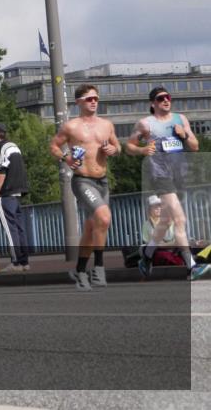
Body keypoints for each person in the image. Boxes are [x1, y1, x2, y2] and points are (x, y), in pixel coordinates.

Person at [129, 87, 210, 281]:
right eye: (161, 98)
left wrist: (183, 135)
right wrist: (141, 150)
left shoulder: (180, 119)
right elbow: (129, 147)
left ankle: (146, 256)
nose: (166, 100)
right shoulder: (145, 124)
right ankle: (191, 267)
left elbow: (195, 146)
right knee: (180, 220)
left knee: (165, 222)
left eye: (168, 97)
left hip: (179, 175)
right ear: (153, 103)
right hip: (160, 175)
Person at [50, 84, 121, 291]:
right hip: (82, 180)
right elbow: (53, 146)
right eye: (89, 99)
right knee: (104, 217)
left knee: (92, 228)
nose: (93, 102)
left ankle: (81, 270)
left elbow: (118, 147)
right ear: (79, 102)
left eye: (96, 99)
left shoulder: (106, 125)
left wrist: (112, 149)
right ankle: (99, 266)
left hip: (103, 180)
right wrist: (66, 157)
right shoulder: (71, 126)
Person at [0, 123, 31, 274]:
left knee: (10, 229)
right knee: (20, 228)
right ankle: (24, 261)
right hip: (18, 192)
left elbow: (2, 171)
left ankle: (16, 262)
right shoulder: (14, 146)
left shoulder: (1, 148)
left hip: (6, 194)